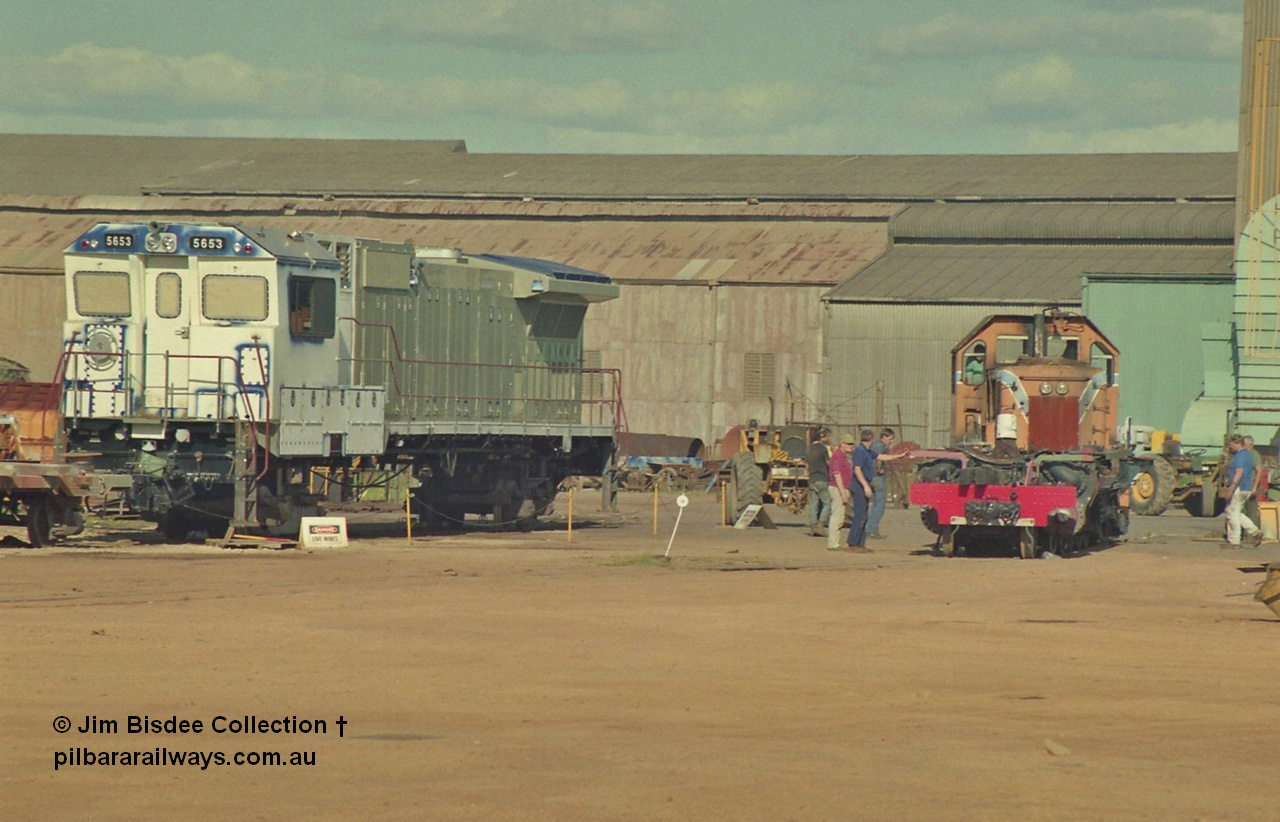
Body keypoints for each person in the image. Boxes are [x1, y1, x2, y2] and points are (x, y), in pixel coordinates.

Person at [1223, 434, 1264, 548]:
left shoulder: (1240, 456)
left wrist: (1231, 488)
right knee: (1237, 513)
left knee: (1231, 514)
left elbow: (1239, 472)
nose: (1230, 447)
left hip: (1239, 487)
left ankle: (1234, 541)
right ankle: (1255, 532)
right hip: (1247, 487)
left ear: (1237, 444)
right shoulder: (1248, 455)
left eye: (1231, 445)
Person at [867, 427, 906, 539]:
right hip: (877, 477)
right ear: (884, 437)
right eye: (890, 438)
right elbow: (878, 459)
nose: (891, 441)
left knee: (875, 504)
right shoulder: (880, 446)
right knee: (879, 504)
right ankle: (872, 530)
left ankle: (870, 529)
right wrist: (879, 469)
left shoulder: (874, 444)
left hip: (871, 476)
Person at [846, 429, 877, 551]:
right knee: (859, 514)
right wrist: (866, 486)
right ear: (871, 439)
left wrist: (899, 456)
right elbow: (857, 469)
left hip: (863, 484)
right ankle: (853, 543)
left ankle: (860, 543)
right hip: (859, 485)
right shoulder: (860, 451)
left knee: (864, 514)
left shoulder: (868, 451)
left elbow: (881, 456)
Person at [827, 433, 855, 550]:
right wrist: (843, 493)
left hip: (842, 488)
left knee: (839, 517)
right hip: (838, 488)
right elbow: (837, 474)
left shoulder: (843, 455)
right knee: (837, 517)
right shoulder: (837, 455)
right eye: (848, 444)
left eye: (852, 444)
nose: (851, 446)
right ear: (842, 444)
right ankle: (833, 544)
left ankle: (835, 542)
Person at [805, 428, 832, 537]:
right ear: (822, 436)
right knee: (828, 503)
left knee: (813, 504)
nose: (828, 438)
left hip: (812, 478)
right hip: (822, 478)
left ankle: (813, 526)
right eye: (827, 436)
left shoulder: (808, 448)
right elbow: (828, 463)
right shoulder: (822, 449)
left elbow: (807, 465)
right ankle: (820, 525)